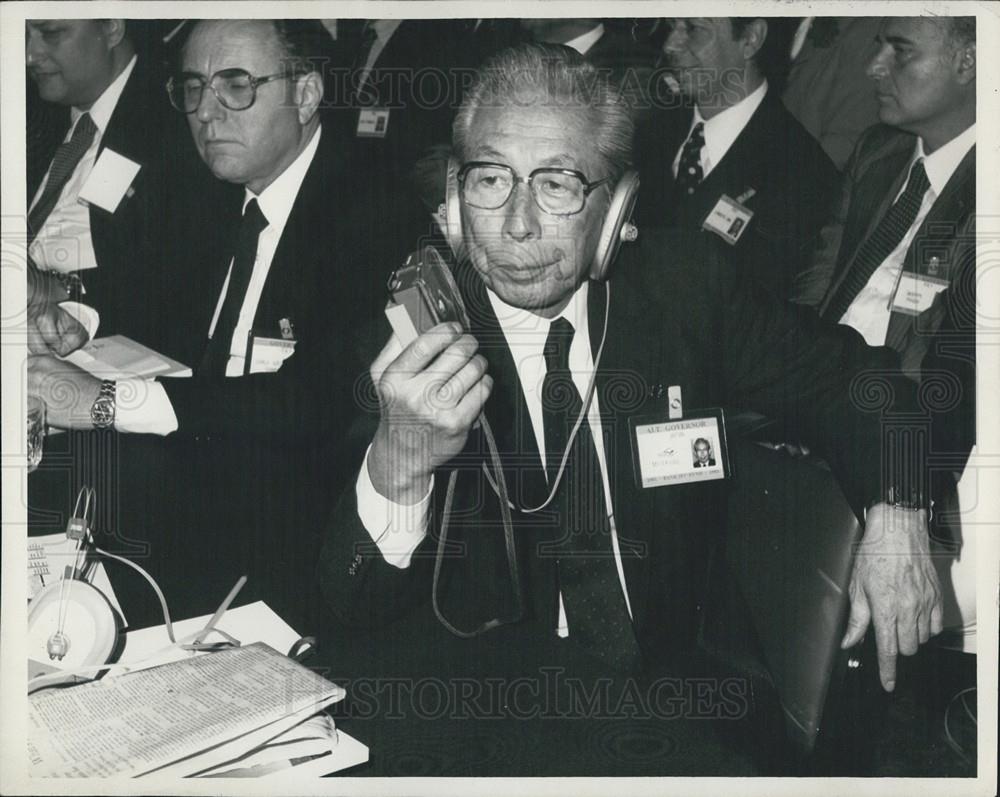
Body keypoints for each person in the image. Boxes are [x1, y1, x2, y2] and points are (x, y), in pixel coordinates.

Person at [318, 43, 941, 693]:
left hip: (682, 701)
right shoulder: (410, 343)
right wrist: (400, 458)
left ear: (616, 210)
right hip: (497, 703)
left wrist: (899, 505)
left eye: (557, 184)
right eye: (491, 179)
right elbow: (354, 601)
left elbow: (860, 381)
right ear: (454, 194)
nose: (518, 225)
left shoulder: (688, 290)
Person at [26, 19, 385, 629]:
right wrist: (71, 318)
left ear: (306, 94)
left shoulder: (368, 209)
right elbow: (152, 292)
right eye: (193, 88)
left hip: (295, 519)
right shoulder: (215, 187)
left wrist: (106, 402)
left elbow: (314, 403)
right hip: (190, 472)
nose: (205, 112)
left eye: (236, 85)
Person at [790, 17, 977, 655]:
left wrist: (893, 483)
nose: (875, 67)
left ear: (971, 60)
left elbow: (956, 375)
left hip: (916, 441)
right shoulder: (879, 150)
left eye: (900, 50)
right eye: (877, 46)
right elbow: (814, 293)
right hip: (819, 405)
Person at [24, 18, 203, 344]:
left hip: (89, 336)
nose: (30, 55)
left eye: (51, 34)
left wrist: (58, 288)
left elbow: (174, 281)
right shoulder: (34, 112)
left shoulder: (180, 120)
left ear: (111, 28)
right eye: (25, 35)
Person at [633, 17, 838, 299]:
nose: (670, 44)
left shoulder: (802, 172)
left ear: (751, 39)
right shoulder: (647, 134)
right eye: (672, 26)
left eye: (693, 29)